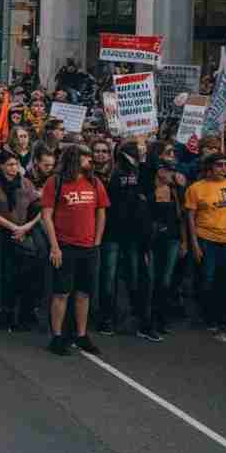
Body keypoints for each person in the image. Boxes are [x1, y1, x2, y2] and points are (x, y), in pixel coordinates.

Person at [42, 144, 109, 356]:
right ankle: (57, 336)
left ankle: (81, 335)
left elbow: (101, 212)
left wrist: (97, 241)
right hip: (65, 246)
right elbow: (46, 215)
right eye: (86, 157)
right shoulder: (56, 181)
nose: (91, 161)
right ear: (74, 159)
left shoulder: (94, 181)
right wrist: (54, 246)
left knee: (84, 293)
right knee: (61, 293)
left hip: (89, 247)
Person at [0, 151, 43, 331]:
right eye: (9, 165)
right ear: (1, 166)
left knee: (19, 275)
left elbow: (40, 207)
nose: (13, 168)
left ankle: (20, 312)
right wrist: (13, 227)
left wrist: (26, 228)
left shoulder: (25, 183)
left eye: (16, 164)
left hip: (21, 234)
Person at [185, 153, 226, 333]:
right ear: (209, 167)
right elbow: (190, 218)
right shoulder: (195, 188)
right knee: (208, 279)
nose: (223, 168)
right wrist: (194, 244)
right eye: (219, 165)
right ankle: (210, 316)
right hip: (206, 240)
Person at [98, 142, 153, 338]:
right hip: (113, 233)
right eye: (133, 152)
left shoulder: (142, 173)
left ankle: (137, 320)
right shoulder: (113, 174)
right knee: (109, 279)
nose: (136, 155)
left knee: (135, 278)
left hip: (134, 235)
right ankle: (106, 318)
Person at [146, 153, 187, 337]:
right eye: (168, 170)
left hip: (172, 239)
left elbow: (181, 219)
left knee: (166, 281)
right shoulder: (149, 191)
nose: (172, 173)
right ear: (160, 170)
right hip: (153, 242)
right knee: (152, 281)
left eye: (173, 170)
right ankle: (149, 322)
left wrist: (184, 242)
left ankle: (161, 320)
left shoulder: (176, 191)